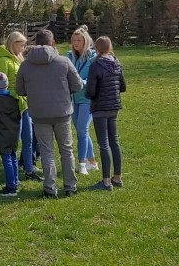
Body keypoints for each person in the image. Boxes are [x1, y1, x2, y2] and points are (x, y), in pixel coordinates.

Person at [16, 29, 82, 198]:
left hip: (39, 113)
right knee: (66, 150)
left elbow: (19, 90)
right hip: (62, 112)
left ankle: (50, 188)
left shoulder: (25, 64)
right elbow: (78, 85)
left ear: (36, 44)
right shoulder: (64, 61)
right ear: (53, 43)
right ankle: (70, 186)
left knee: (47, 152)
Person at [0, 31, 43, 181]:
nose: (23, 48)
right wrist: (14, 96)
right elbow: (1, 84)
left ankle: (29, 169)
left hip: (24, 103)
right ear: (13, 44)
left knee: (28, 137)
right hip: (12, 104)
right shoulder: (2, 60)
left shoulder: (19, 58)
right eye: (21, 45)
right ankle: (12, 171)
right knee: (15, 139)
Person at [85, 36, 127, 191]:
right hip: (114, 106)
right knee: (114, 142)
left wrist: (89, 94)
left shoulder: (96, 65)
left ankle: (106, 181)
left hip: (100, 107)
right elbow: (122, 87)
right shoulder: (116, 63)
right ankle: (117, 177)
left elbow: (91, 90)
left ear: (96, 48)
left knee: (103, 144)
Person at [66, 26, 99, 175]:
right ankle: (93, 162)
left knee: (82, 130)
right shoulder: (69, 56)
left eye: (79, 40)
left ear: (86, 41)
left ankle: (82, 164)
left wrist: (81, 83)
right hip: (73, 98)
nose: (76, 43)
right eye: (74, 40)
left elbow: (93, 79)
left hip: (87, 98)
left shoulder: (93, 57)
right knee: (82, 131)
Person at [0, 72, 21, 196]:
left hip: (2, 135)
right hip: (14, 134)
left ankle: (11, 187)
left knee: (7, 159)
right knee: (13, 157)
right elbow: (18, 117)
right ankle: (15, 182)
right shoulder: (14, 100)